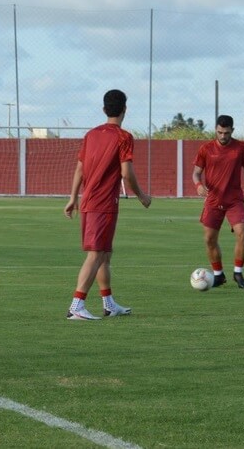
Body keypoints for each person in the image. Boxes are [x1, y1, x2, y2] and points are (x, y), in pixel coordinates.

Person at [64, 89, 151, 320]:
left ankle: (108, 303)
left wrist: (73, 197)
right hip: (103, 203)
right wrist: (141, 195)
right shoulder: (124, 137)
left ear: (104, 110)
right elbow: (126, 171)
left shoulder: (91, 135)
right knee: (95, 254)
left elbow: (80, 168)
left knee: (104, 254)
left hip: (88, 201)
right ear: (125, 109)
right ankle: (76, 305)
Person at [192, 115, 244, 289]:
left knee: (243, 232)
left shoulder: (241, 148)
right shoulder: (206, 149)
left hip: (234, 200)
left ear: (232, 131)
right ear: (216, 130)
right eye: (220, 132)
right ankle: (218, 275)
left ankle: (238, 272)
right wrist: (198, 185)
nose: (223, 136)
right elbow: (196, 173)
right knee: (209, 239)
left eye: (226, 133)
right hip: (213, 200)